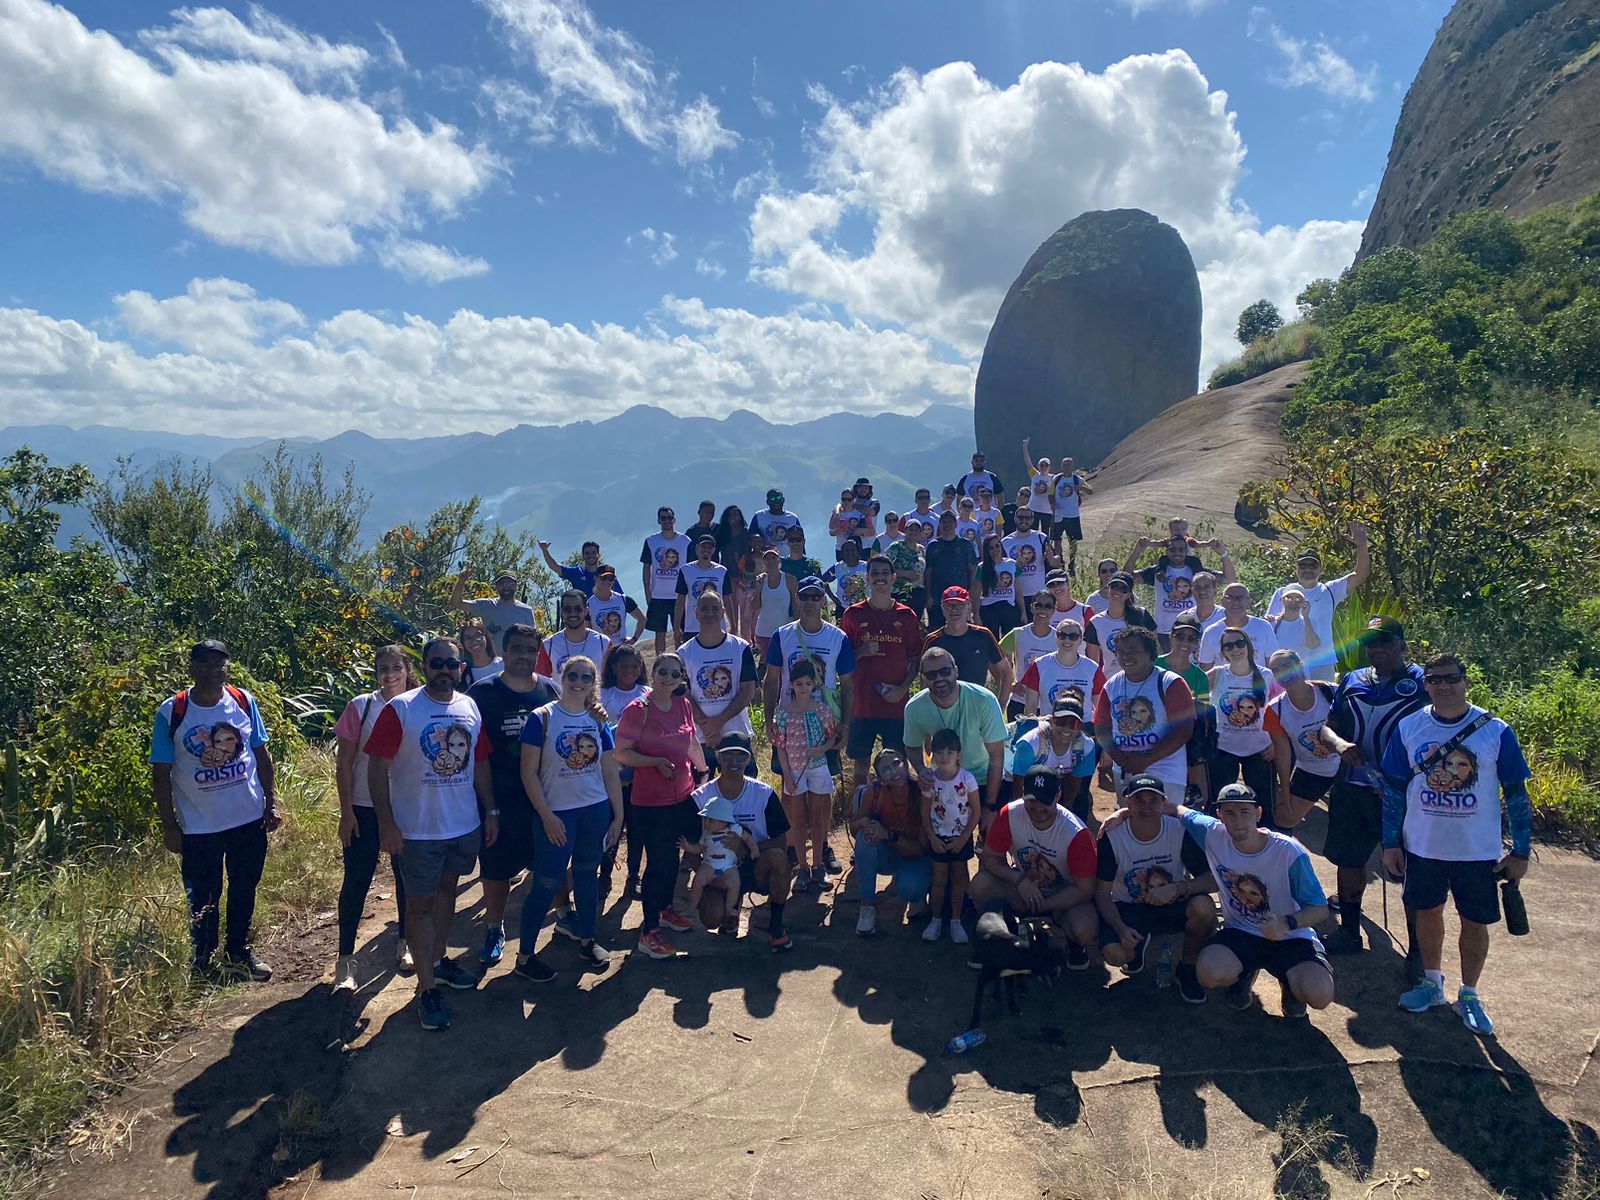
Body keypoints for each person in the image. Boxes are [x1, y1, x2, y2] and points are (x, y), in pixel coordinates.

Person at [1381, 653, 1532, 1037]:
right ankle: (1432, 983)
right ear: (1425, 684)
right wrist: (1390, 843)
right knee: (1427, 912)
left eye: (1452, 678)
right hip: (1424, 845)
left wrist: (1520, 850)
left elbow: (1516, 794)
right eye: (1435, 679)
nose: (1444, 686)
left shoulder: (1495, 730)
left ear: (1465, 681)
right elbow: (1394, 789)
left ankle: (1469, 993)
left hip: (1476, 850)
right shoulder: (1410, 726)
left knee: (1475, 921)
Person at [366, 637, 495, 1031]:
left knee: (447, 894)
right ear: (423, 667)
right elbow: (376, 770)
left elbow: (481, 763)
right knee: (419, 907)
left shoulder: (469, 706)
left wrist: (490, 811)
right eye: (436, 662)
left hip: (462, 825)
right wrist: (387, 823)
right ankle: (426, 990)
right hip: (417, 831)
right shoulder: (401, 709)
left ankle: (438, 963)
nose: (444, 670)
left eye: (451, 663)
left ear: (460, 668)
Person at [151, 639, 281, 984]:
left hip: (247, 819)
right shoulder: (172, 711)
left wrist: (271, 802)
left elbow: (260, 754)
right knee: (203, 895)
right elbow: (160, 774)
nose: (212, 670)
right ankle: (204, 962)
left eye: (218, 663)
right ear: (191, 668)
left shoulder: (242, 701)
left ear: (227, 668)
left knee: (244, 886)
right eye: (204, 663)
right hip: (198, 826)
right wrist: (170, 826)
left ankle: (238, 953)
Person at [1159, 783, 1333, 1017]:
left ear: (1258, 813)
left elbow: (1320, 909)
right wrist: (1121, 814)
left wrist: (1286, 923)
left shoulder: (1288, 852)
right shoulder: (1212, 832)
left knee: (1319, 996)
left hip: (1289, 935)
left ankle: (1290, 984)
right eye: (1229, 813)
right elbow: (1175, 809)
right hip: (1242, 931)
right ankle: (1244, 973)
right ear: (1219, 815)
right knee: (1209, 973)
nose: (1238, 820)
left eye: (1245, 812)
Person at [1322, 616, 1428, 961]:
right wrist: (1339, 745)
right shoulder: (1352, 680)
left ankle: (1417, 950)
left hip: (1401, 795)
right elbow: (1327, 728)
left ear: (1402, 644)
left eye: (1385, 642)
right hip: (1352, 789)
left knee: (1409, 870)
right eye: (1371, 643)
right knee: (1349, 861)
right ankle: (1349, 931)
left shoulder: (1423, 683)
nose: (1377, 649)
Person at [514, 656, 623, 981]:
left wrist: (618, 815)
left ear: (594, 684)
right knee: (547, 882)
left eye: (586, 677)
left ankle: (588, 939)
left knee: (588, 876)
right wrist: (546, 816)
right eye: (572, 675)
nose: (578, 682)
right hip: (557, 814)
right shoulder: (542, 718)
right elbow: (528, 773)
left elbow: (608, 769)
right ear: (563, 677)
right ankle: (524, 957)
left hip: (595, 810)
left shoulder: (597, 720)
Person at [465, 625, 557, 967]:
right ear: (504, 651)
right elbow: (476, 754)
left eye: (530, 650)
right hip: (498, 799)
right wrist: (488, 807)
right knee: (496, 868)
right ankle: (494, 927)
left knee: (550, 863)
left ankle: (562, 915)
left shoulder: (551, 691)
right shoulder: (482, 693)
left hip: (543, 800)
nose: (524, 656)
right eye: (517, 649)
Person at [331, 646, 416, 990]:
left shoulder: (418, 704)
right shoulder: (361, 706)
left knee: (407, 880)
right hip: (365, 809)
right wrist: (346, 811)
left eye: (396, 667)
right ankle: (345, 961)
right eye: (383, 668)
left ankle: (404, 943)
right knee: (356, 883)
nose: (390, 674)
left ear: (408, 669)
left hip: (407, 808)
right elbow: (345, 764)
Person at [1094, 773, 1215, 1003]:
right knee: (1115, 954)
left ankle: (1186, 968)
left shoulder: (1178, 830)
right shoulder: (1112, 836)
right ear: (1127, 801)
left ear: (1164, 803)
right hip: (1129, 907)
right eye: (1139, 800)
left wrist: (1178, 888)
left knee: (1204, 908)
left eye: (1153, 801)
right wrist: (1120, 928)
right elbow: (1101, 893)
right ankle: (1137, 945)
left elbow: (1211, 880)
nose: (1147, 807)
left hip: (1172, 903)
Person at [614, 654, 703, 959]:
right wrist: (653, 762)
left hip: (683, 797)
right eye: (661, 671)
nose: (667, 677)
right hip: (650, 803)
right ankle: (648, 932)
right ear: (652, 674)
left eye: (674, 673)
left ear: (681, 678)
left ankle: (665, 911)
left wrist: (702, 772)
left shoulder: (683, 705)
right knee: (658, 864)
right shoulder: (638, 710)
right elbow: (621, 753)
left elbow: (691, 742)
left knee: (673, 860)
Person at [969, 769, 1098, 969]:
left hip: (1064, 895)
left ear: (1058, 796)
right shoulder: (1010, 814)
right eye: (1031, 800)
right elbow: (990, 858)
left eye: (1044, 801)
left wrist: (1045, 905)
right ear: (1022, 793)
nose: (1037, 807)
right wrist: (1018, 880)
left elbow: (1085, 889)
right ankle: (1002, 934)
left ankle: (1074, 945)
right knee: (980, 885)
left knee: (1084, 929)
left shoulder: (1076, 833)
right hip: (1023, 887)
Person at [762, 578, 857, 848]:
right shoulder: (783, 635)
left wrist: (845, 727)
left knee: (821, 790)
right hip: (789, 721)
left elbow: (848, 684)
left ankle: (820, 846)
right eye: (806, 596)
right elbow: (771, 680)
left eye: (817, 597)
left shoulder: (837, 637)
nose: (811, 602)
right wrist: (770, 720)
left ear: (823, 601)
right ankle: (793, 847)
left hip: (823, 724)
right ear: (798, 599)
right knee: (790, 788)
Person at [686, 734, 795, 951]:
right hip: (717, 870)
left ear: (749, 760)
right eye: (727, 757)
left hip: (757, 865)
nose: (733, 763)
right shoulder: (699, 798)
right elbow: (689, 851)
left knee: (779, 859)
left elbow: (781, 841)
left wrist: (744, 849)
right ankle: (730, 905)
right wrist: (708, 877)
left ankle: (776, 924)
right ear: (717, 758)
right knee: (710, 918)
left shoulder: (763, 794)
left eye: (740, 757)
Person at [840, 554, 923, 789]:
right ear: (867, 578)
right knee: (861, 766)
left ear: (893, 578)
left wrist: (903, 688)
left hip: (895, 703)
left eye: (885, 574)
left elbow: (915, 658)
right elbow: (841, 659)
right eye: (874, 573)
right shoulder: (852, 615)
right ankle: (860, 809)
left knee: (898, 763)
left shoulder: (906, 615)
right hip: (862, 704)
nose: (880, 578)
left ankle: (899, 813)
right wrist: (860, 652)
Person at [1093, 626, 1196, 806]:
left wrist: (1145, 760)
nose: (1126, 656)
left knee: (1167, 824)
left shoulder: (1171, 683)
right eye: (1121, 652)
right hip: (1125, 769)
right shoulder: (1111, 685)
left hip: (1166, 770)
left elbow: (1183, 731)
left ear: (1149, 652)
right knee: (1130, 824)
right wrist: (1121, 759)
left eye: (1133, 650)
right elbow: (1101, 727)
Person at [903, 647, 1008, 822]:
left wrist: (990, 806)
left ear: (956, 671)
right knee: (940, 842)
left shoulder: (984, 700)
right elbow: (912, 746)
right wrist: (922, 771)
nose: (939, 679)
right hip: (944, 780)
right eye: (931, 675)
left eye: (945, 672)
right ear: (923, 678)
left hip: (984, 779)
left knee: (990, 842)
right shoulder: (914, 708)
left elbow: (997, 758)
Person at [1266, 522, 1370, 681]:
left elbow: (1361, 574)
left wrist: (1362, 545)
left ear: (1321, 569)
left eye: (1312, 565)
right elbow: (1270, 629)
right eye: (1303, 565)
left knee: (1323, 703)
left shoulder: (1330, 590)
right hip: (1286, 665)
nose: (1308, 570)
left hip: (1321, 664)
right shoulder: (1282, 593)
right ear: (1296, 568)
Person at [773, 659, 840, 894]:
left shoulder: (822, 710)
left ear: (814, 685)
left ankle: (818, 864)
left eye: (808, 683)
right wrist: (787, 776)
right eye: (799, 683)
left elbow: (833, 738)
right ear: (791, 685)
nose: (803, 688)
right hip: (794, 770)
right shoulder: (783, 713)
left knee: (818, 817)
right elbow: (780, 746)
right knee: (797, 819)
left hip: (818, 767)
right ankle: (802, 867)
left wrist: (821, 749)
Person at [1208, 628, 1291, 817]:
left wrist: (1277, 743)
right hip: (1222, 749)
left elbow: (1286, 709)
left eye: (1239, 643)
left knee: (1264, 806)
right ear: (1222, 652)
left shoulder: (1267, 676)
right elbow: (1195, 703)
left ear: (1249, 646)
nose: (1235, 649)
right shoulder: (1216, 675)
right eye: (1228, 646)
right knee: (1218, 804)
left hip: (1260, 750)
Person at [850, 749, 934, 936]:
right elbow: (854, 827)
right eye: (886, 769)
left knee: (910, 887)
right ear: (879, 777)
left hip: (916, 857)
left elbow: (921, 849)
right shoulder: (876, 792)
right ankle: (867, 909)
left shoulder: (921, 793)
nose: (894, 772)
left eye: (897, 763)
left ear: (905, 763)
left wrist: (887, 835)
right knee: (864, 840)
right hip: (889, 854)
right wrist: (865, 824)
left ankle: (919, 897)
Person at [678, 591, 759, 771]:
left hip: (736, 734)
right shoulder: (684, 653)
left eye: (714, 609)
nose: (709, 613)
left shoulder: (740, 648)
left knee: (743, 790)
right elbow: (684, 694)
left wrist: (718, 723)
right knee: (702, 792)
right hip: (700, 739)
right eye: (704, 609)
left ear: (723, 612)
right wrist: (707, 727)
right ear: (696, 612)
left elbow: (748, 691)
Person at [1266, 649, 1345, 831]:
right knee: (1284, 817)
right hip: (1312, 768)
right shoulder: (1275, 709)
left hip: (1346, 766)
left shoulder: (1331, 691)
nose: (1283, 673)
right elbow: (1282, 753)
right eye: (1276, 670)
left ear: (1300, 665)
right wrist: (1284, 790)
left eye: (1287, 666)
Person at [598, 642, 649, 898]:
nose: (629, 670)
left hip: (641, 774)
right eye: (624, 666)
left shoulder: (648, 693)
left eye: (634, 666)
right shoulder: (604, 695)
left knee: (637, 828)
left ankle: (633, 877)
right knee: (611, 827)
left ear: (641, 668)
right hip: (612, 775)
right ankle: (605, 874)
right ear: (614, 668)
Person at [918, 728, 979, 944]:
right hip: (939, 837)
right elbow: (924, 812)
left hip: (960, 838)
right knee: (939, 879)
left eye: (949, 752)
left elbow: (976, 811)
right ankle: (935, 919)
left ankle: (956, 921)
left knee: (959, 879)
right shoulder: (930, 781)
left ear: (959, 755)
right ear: (932, 754)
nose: (944, 757)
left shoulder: (968, 779)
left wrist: (963, 838)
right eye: (939, 753)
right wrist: (933, 838)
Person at [1128, 534, 1235, 649]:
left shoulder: (1196, 571)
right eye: (1173, 549)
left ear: (1186, 551)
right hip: (1164, 634)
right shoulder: (1157, 572)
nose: (1177, 553)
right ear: (1167, 551)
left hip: (1192, 632)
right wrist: (1137, 551)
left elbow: (1228, 579)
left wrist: (1223, 554)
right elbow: (1128, 577)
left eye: (1181, 550)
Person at [1010, 696, 1099, 825]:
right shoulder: (1029, 744)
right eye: (1061, 722)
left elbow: (1074, 784)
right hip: (1017, 778)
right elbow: (1018, 786)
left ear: (1080, 727)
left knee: (1080, 804)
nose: (1066, 728)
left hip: (1058, 777)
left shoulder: (1087, 748)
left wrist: (1066, 811)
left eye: (1074, 724)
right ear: (1052, 721)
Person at [1159, 611, 1215, 804]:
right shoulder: (1154, 665)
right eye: (1180, 636)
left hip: (1185, 737)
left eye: (1191, 638)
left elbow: (1201, 714)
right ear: (1171, 636)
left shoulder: (1199, 676)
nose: (1185, 642)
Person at [923, 587, 1011, 695]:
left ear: (969, 607)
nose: (954, 610)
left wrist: (1000, 706)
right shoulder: (933, 640)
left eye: (959, 605)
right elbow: (925, 681)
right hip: (942, 706)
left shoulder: (983, 635)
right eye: (948, 606)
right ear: (942, 609)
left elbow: (1006, 672)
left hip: (976, 704)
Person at [1018, 617, 1105, 722]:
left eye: (1073, 636)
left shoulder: (1092, 668)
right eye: (1062, 635)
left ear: (1081, 639)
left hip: (1083, 729)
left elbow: (1101, 710)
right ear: (1056, 637)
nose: (1067, 640)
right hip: (1050, 728)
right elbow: (1030, 709)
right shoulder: (1039, 666)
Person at [680, 794, 754, 918]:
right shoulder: (706, 834)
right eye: (706, 819)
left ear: (723, 821)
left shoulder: (734, 829)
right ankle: (693, 903)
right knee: (698, 879)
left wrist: (754, 850)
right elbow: (700, 848)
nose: (707, 823)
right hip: (709, 864)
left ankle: (729, 907)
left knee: (735, 882)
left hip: (729, 867)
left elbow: (748, 838)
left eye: (711, 820)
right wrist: (688, 847)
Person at [999, 587, 1060, 718]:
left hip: (1048, 704)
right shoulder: (1017, 634)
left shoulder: (1059, 638)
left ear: (1054, 609)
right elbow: (996, 663)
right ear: (1032, 607)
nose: (1043, 610)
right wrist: (1009, 685)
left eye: (1048, 606)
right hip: (1020, 701)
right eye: (1039, 605)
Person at [640, 506, 692, 657]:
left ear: (674, 519)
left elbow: (690, 568)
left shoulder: (685, 541)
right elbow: (646, 568)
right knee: (660, 633)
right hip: (658, 595)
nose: (667, 521)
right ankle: (660, 662)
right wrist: (647, 593)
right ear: (659, 520)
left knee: (679, 632)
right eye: (663, 518)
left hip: (679, 596)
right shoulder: (651, 541)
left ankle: (681, 662)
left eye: (669, 518)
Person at [449, 567, 535, 654]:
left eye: (509, 583)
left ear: (516, 586)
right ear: (496, 586)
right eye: (502, 583)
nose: (506, 586)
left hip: (516, 663)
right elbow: (456, 603)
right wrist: (462, 579)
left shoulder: (526, 611)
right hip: (492, 663)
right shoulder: (486, 605)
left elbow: (533, 640)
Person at [1197, 583, 1278, 668]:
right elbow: (1205, 670)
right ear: (1222, 602)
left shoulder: (1263, 627)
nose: (1235, 602)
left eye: (1241, 598)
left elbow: (1273, 664)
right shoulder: (1211, 632)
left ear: (1249, 602)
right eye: (1230, 598)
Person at [1086, 571, 1157, 667]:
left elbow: (1155, 649)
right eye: (1114, 586)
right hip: (1111, 679)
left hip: (1141, 677)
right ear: (1108, 588)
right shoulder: (1096, 622)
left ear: (1129, 594)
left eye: (1123, 589)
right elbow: (1092, 663)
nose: (1117, 591)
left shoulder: (1142, 615)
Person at [538, 590, 610, 679]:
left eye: (578, 609)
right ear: (562, 612)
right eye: (567, 609)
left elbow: (611, 681)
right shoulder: (548, 645)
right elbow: (541, 682)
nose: (573, 613)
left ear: (586, 611)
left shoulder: (604, 643)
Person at [923, 511, 976, 630]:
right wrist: (928, 595)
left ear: (956, 524)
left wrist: (972, 593)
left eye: (950, 522)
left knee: (961, 631)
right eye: (944, 522)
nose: (947, 525)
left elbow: (973, 571)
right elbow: (928, 572)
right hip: (938, 599)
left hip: (961, 598)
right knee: (937, 632)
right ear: (939, 524)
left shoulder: (965, 545)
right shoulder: (933, 546)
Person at [1002, 505, 1055, 621]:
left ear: (1032, 520)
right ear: (1015, 519)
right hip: (1014, 596)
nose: (1024, 521)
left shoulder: (1041, 537)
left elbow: (1056, 563)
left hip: (1038, 595)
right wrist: (1017, 566)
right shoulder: (1005, 542)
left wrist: (1050, 558)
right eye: (1021, 517)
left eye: (1027, 518)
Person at [676, 534, 731, 640]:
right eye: (703, 546)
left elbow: (727, 600)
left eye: (709, 547)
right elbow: (680, 601)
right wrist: (677, 626)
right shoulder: (686, 570)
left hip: (718, 626)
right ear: (697, 548)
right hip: (692, 627)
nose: (706, 550)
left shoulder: (722, 571)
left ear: (714, 550)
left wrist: (732, 625)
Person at [752, 546, 797, 660]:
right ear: (763, 562)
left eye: (773, 558)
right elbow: (755, 606)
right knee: (768, 666)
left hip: (784, 632)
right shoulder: (760, 580)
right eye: (767, 558)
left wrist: (797, 628)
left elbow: (796, 606)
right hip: (763, 632)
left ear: (779, 560)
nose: (771, 561)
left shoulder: (790, 579)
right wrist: (757, 589)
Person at [1050, 455, 1093, 568]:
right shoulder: (1056, 479)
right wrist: (1052, 504)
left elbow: (1091, 490)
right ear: (1061, 466)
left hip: (1073, 515)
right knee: (1057, 540)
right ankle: (1060, 562)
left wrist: (1081, 488)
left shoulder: (1077, 479)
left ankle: (1072, 563)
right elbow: (1050, 494)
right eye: (1064, 465)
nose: (1066, 467)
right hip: (1059, 515)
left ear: (1073, 466)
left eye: (1068, 465)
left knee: (1073, 542)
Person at [716, 505, 752, 637]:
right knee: (730, 604)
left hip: (743, 574)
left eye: (735, 515)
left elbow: (749, 552)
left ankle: (745, 637)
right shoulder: (722, 533)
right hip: (726, 572)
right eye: (730, 515)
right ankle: (733, 631)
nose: (732, 518)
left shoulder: (745, 533)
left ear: (740, 517)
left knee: (744, 606)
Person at [587, 566, 645, 644]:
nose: (607, 581)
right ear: (596, 578)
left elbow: (642, 619)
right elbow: (586, 630)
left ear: (614, 580)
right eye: (603, 578)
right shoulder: (589, 604)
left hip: (620, 649)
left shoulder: (623, 600)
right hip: (599, 650)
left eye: (610, 578)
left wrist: (634, 639)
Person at [976, 535, 1020, 637]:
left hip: (1008, 606)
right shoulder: (981, 567)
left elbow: (1018, 591)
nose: (995, 550)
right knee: (991, 641)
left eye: (997, 546)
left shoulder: (1012, 564)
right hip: (988, 609)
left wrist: (1023, 612)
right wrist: (976, 615)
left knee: (1009, 643)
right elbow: (976, 594)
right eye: (991, 548)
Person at [1267, 587, 1319, 670]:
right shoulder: (1272, 623)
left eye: (1298, 598)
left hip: (1300, 674)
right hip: (1276, 674)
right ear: (1282, 600)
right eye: (1289, 598)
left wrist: (1306, 616)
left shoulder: (1310, 623)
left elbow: (1312, 645)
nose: (1293, 602)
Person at [885, 515, 928, 614]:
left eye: (917, 530)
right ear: (905, 530)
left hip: (918, 592)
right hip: (898, 591)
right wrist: (905, 573)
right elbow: (885, 567)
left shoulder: (922, 549)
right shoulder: (896, 547)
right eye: (911, 529)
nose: (914, 532)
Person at [824, 536, 870, 613]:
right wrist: (834, 599)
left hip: (864, 607)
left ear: (858, 552)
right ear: (842, 554)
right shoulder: (838, 567)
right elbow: (824, 581)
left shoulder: (866, 566)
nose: (850, 553)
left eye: (853, 550)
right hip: (843, 608)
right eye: (847, 550)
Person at [829, 488, 875, 559]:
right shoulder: (837, 513)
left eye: (849, 499)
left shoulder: (860, 513)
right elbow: (831, 530)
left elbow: (872, 531)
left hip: (859, 549)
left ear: (854, 499)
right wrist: (839, 530)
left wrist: (859, 531)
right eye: (844, 499)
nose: (846, 502)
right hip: (841, 549)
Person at [460, 621, 503, 687]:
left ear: (486, 637)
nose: (474, 641)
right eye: (468, 638)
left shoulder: (505, 665)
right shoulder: (464, 674)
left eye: (478, 635)